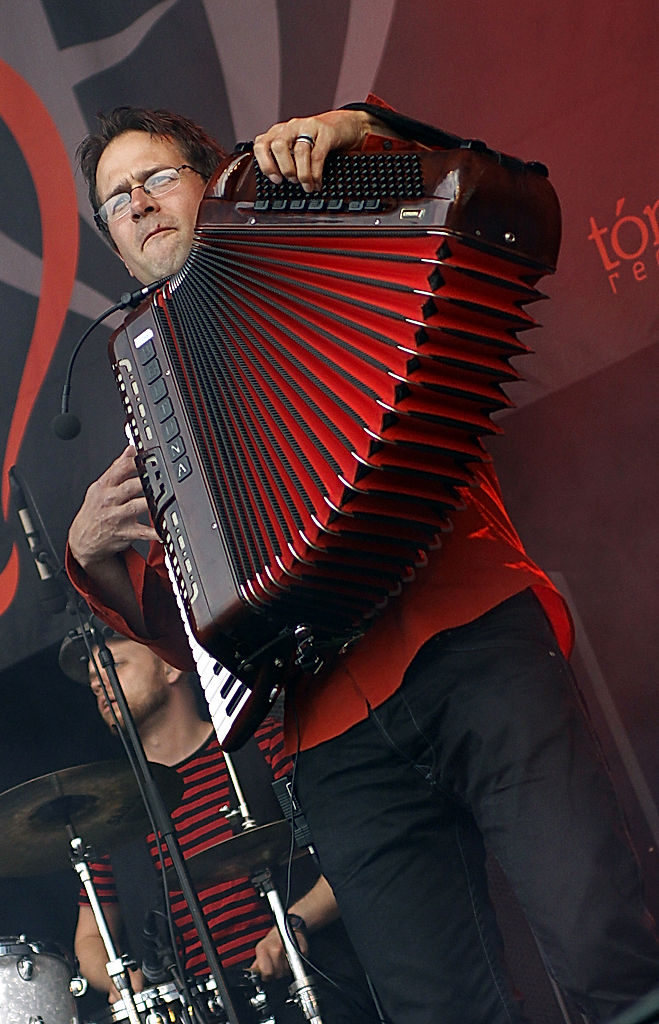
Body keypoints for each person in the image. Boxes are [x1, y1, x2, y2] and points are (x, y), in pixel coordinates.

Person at [65, 97, 659, 1024]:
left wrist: (371, 132)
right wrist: (93, 561)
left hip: (465, 640)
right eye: (115, 201)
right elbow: (200, 635)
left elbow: (496, 205)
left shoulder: (305, 211)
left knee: (600, 943)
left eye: (155, 178)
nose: (136, 204)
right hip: (326, 732)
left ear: (213, 178)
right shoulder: (145, 373)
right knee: (437, 1009)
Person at [59, 627, 381, 1024]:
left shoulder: (260, 745)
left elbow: (352, 852)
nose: (98, 685)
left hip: (312, 989)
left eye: (115, 666)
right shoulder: (114, 813)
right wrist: (121, 979)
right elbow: (90, 938)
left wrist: (294, 922)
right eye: (93, 681)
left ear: (171, 668)